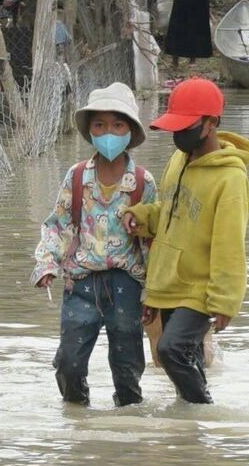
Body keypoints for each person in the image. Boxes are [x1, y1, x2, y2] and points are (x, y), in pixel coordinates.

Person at [123, 77, 249, 404]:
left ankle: (203, 410)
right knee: (185, 359)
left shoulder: (231, 179)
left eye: (186, 126)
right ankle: (192, 434)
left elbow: (229, 245)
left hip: (198, 288)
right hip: (167, 282)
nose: (178, 135)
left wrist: (225, 300)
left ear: (211, 124)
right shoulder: (178, 161)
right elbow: (171, 212)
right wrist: (143, 216)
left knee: (172, 351)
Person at [32, 83, 158, 407]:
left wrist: (155, 293)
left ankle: (127, 433)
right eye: (100, 125)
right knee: (69, 363)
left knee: (128, 369)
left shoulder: (143, 183)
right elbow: (58, 225)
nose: (109, 132)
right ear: (90, 130)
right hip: (81, 283)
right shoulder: (76, 178)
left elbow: (153, 242)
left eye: (117, 125)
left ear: (130, 130)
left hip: (126, 285)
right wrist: (47, 264)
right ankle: (77, 422)